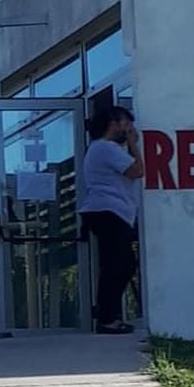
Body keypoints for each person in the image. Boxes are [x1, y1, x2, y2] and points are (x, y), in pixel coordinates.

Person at [79, 107, 144, 334]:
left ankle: (110, 315)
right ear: (113, 124)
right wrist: (134, 145)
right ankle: (108, 318)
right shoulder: (107, 148)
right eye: (126, 123)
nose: (130, 129)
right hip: (109, 211)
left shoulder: (100, 149)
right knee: (118, 265)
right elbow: (136, 171)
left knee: (120, 265)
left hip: (106, 211)